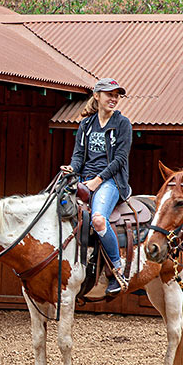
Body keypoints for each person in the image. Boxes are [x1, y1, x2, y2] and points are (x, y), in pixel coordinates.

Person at [60, 78, 133, 295]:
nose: (113, 98)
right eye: (109, 94)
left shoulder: (122, 124)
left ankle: (116, 268)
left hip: (110, 181)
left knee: (98, 220)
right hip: (84, 179)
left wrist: (97, 181)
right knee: (59, 209)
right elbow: (78, 157)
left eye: (116, 95)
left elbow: (120, 159)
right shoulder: (86, 125)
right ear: (97, 96)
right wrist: (72, 169)